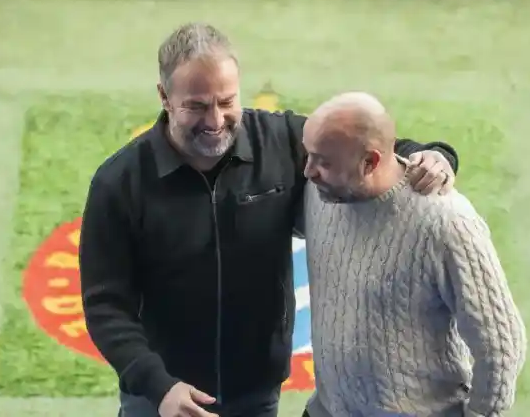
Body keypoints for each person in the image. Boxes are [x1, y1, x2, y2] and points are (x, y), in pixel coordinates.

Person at [78, 23, 460, 417]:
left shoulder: (280, 141)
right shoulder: (119, 182)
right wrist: (159, 387)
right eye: (196, 106)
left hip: (256, 394)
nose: (215, 120)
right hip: (161, 400)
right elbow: (106, 306)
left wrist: (434, 155)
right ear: (164, 97)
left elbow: (368, 146)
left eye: (226, 101)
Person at [299, 92, 527, 417]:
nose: (308, 172)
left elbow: (500, 346)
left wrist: (479, 414)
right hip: (328, 410)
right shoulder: (321, 193)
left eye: (324, 162)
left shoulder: (446, 223)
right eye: (309, 156)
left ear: (370, 162)